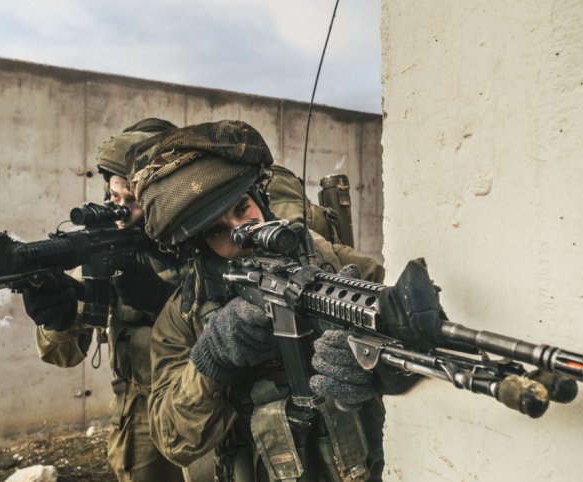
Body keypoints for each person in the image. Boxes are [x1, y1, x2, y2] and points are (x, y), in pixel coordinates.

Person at [132, 120, 391, 481]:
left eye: (243, 208)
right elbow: (174, 441)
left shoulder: (329, 262)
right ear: (198, 245)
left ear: (261, 201)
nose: (242, 233)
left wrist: (372, 363)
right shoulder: (186, 314)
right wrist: (212, 359)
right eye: (218, 231)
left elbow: (410, 332)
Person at [22, 118, 188, 482]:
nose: (122, 214)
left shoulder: (201, 238)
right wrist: (58, 318)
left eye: (136, 201)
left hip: (202, 393)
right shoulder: (105, 242)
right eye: (115, 199)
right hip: (138, 406)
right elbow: (64, 355)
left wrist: (164, 302)